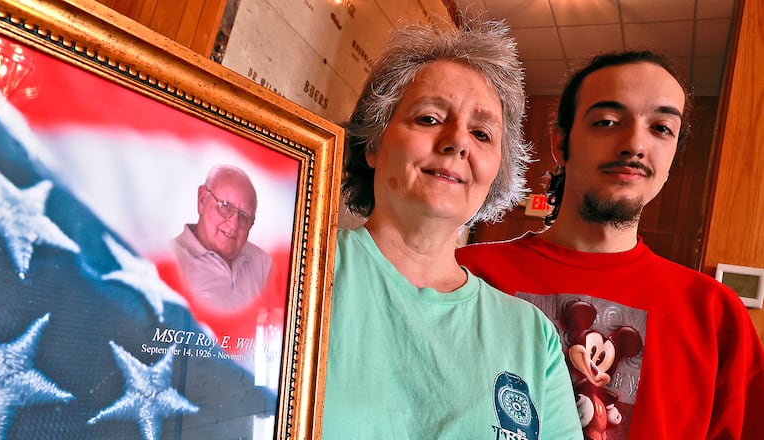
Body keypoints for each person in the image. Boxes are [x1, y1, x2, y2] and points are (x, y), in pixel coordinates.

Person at [457, 51, 764, 439]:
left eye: (661, 128)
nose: (634, 143)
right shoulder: (464, 275)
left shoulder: (717, 316)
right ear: (561, 143)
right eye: (607, 121)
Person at [322, 21, 582, 439]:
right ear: (373, 143)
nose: (458, 142)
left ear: (496, 171)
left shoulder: (533, 337)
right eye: (429, 118)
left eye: (481, 133)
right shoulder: (298, 268)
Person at [172, 164, 273, 315]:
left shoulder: (263, 263)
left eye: (244, 217)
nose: (233, 224)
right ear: (202, 201)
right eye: (225, 206)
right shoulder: (170, 261)